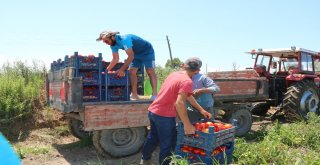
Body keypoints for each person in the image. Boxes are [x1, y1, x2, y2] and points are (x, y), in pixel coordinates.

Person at [140, 57, 212, 165]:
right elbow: (180, 103)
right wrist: (187, 125)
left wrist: (201, 110)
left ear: (183, 65)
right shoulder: (187, 81)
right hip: (164, 115)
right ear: (197, 71)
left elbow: (188, 96)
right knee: (167, 144)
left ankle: (145, 159)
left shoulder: (174, 74)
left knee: (153, 137)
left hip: (153, 111)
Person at [96, 31, 158, 100]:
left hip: (147, 51)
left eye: (106, 41)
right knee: (131, 72)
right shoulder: (113, 45)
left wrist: (122, 69)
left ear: (112, 37)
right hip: (135, 54)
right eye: (104, 42)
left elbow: (131, 56)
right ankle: (134, 94)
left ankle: (155, 94)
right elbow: (115, 59)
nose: (106, 44)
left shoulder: (125, 40)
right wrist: (106, 71)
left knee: (150, 71)